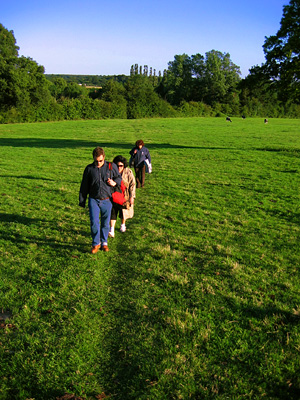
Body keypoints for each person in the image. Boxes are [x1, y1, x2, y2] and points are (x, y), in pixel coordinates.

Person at [79, 147, 122, 254]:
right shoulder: (89, 169)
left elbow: (119, 178)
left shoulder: (112, 167)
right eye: (96, 161)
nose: (98, 163)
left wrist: (114, 182)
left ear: (104, 158)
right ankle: (95, 243)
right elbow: (84, 185)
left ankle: (104, 243)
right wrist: (82, 200)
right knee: (94, 222)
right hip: (94, 199)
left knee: (105, 223)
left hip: (107, 200)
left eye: (100, 161)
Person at [109, 155, 136, 237]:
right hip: (113, 195)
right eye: (117, 165)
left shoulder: (128, 172)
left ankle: (122, 225)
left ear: (124, 165)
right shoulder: (111, 172)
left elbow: (132, 184)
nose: (119, 167)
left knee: (123, 212)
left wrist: (132, 196)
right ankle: (111, 230)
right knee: (112, 212)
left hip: (124, 196)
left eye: (121, 166)